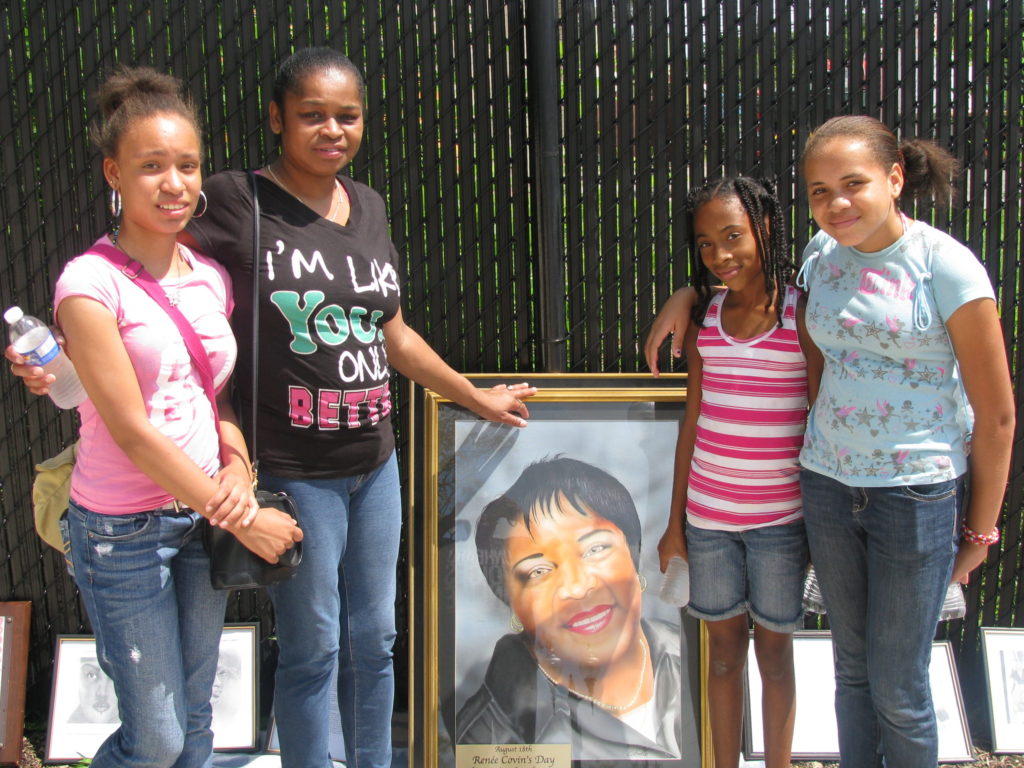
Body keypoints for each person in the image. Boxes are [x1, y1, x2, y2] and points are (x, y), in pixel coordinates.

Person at [11, 50, 533, 768]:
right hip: (291, 469)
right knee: (312, 647)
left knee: (374, 640)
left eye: (346, 116)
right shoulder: (231, 201)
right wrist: (62, 362)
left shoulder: (370, 206)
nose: (331, 129)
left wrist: (475, 396)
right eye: (312, 114)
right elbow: (131, 270)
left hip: (370, 461)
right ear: (276, 120)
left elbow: (394, 332)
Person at [645, 116, 1015, 767]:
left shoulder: (947, 268)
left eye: (853, 184)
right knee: (850, 673)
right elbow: (758, 309)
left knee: (899, 687)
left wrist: (979, 533)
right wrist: (690, 293)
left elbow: (998, 416)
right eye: (820, 191)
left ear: (895, 176)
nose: (836, 203)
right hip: (826, 491)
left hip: (910, 497)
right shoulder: (823, 258)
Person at [41, 66, 302, 768]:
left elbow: (211, 394)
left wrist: (241, 466)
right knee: (154, 738)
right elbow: (132, 429)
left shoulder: (209, 275)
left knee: (194, 721)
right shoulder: (88, 285)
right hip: (123, 533)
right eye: (151, 166)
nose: (174, 183)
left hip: (200, 518)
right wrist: (243, 517)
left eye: (186, 165)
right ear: (113, 174)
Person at [656, 176, 815, 768]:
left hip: (781, 524)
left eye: (733, 236)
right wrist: (676, 525)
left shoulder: (802, 316)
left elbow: (820, 422)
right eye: (705, 244)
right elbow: (691, 427)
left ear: (765, 227)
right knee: (722, 656)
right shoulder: (707, 321)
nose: (720, 255)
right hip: (709, 524)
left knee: (774, 658)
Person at [457, 456, 686, 761]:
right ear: (511, 605)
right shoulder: (490, 731)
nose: (577, 587)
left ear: (634, 559)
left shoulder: (695, 657)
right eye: (538, 571)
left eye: (595, 549)